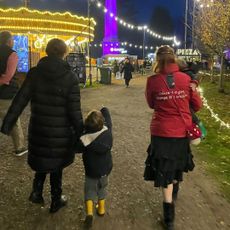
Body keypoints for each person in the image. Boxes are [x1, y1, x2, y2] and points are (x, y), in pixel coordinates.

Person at [1, 38, 83, 213]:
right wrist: (82, 132)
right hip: (61, 131)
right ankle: (56, 199)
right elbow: (75, 111)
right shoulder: (70, 78)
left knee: (42, 159)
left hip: (40, 128)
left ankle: (37, 192)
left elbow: (20, 100)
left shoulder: (35, 73)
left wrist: (8, 123)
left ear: (46, 51)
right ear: (64, 53)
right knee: (56, 165)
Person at [145, 46, 202, 230]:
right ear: (174, 58)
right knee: (176, 164)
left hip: (161, 132)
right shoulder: (186, 79)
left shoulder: (152, 81)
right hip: (180, 132)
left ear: (157, 59)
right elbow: (197, 105)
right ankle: (174, 193)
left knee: (166, 170)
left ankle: (169, 218)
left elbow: (151, 103)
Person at [79, 107, 113, 228]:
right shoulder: (107, 132)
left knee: (89, 191)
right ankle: (101, 210)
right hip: (105, 170)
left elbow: (76, 147)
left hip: (91, 171)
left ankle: (89, 213)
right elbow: (107, 116)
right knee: (102, 188)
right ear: (102, 122)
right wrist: (103, 109)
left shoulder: (85, 138)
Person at [0, 31, 26, 156]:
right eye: (12, 40)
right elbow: (8, 77)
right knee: (13, 119)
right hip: (6, 93)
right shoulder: (12, 54)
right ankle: (19, 147)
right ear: (9, 40)